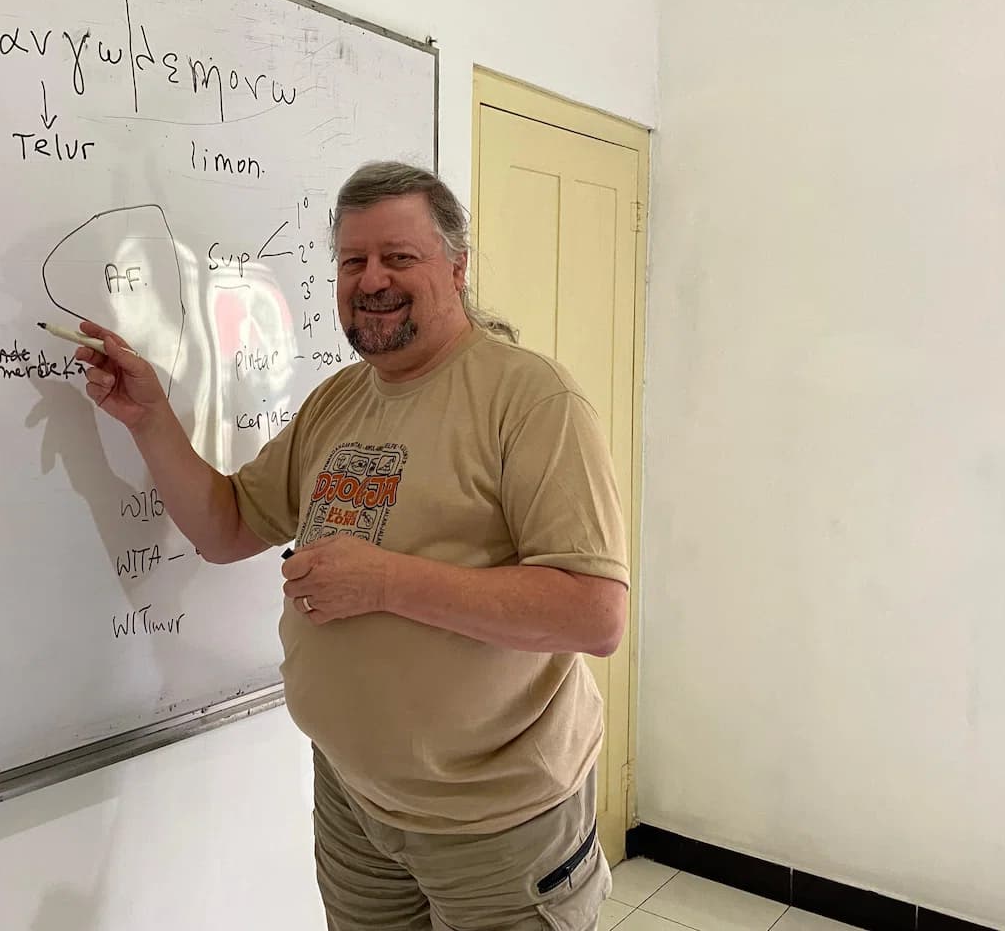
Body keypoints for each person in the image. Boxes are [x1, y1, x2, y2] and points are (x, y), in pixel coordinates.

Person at [75, 161, 630, 930]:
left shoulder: (533, 400)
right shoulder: (338, 399)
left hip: (498, 825)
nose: (372, 280)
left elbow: (593, 614)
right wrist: (149, 420)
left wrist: (385, 583)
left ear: (456, 267)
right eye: (352, 260)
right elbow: (227, 527)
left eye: (399, 257)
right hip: (354, 801)